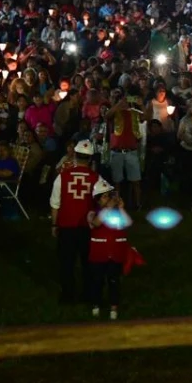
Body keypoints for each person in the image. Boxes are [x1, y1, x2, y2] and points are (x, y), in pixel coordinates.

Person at [50, 140, 105, 303]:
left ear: (75, 155)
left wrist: (54, 224)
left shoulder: (63, 176)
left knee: (66, 262)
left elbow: (55, 203)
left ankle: (67, 295)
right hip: (87, 227)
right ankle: (89, 294)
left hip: (66, 226)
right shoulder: (96, 178)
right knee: (88, 262)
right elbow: (105, 201)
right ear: (90, 158)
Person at [87, 186, 129, 320]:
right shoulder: (93, 213)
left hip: (114, 254)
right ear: (98, 200)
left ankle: (113, 308)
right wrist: (108, 208)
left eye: (109, 196)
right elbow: (96, 223)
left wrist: (121, 208)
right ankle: (95, 305)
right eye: (105, 197)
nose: (108, 199)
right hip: (99, 254)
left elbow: (127, 223)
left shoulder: (116, 213)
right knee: (97, 281)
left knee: (114, 281)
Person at [106, 95, 144, 211]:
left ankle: (137, 204)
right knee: (117, 181)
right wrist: (118, 105)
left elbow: (147, 116)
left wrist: (141, 104)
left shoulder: (134, 113)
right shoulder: (114, 114)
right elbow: (107, 115)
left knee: (136, 181)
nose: (125, 103)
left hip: (131, 151)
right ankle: (117, 204)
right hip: (117, 152)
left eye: (127, 101)